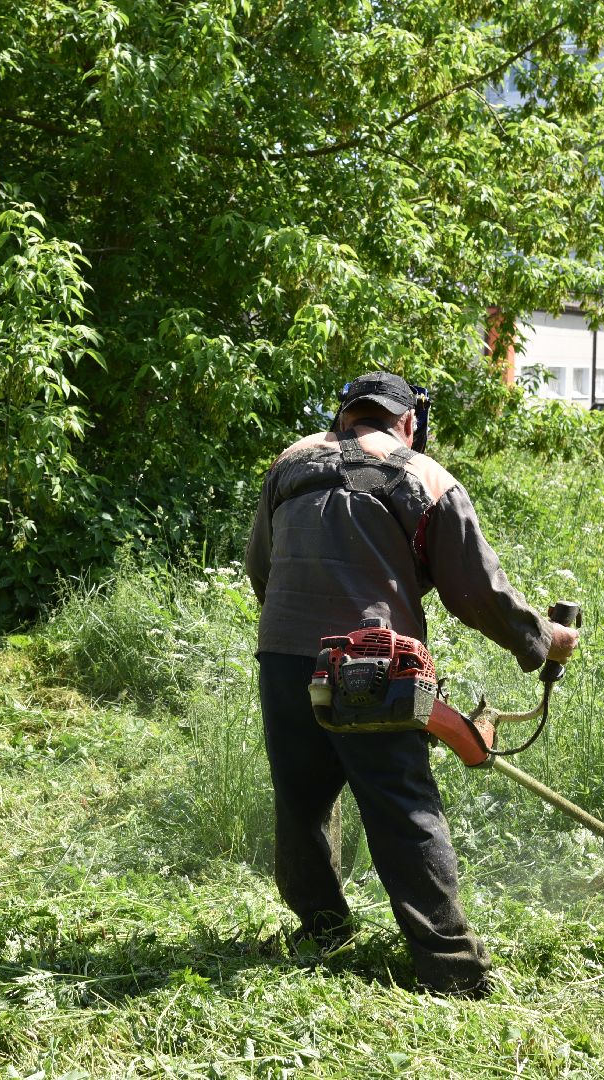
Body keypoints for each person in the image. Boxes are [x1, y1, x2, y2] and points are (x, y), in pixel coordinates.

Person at [244, 371, 578, 998]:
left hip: (284, 657)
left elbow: (261, 569)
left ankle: (321, 931)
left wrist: (300, 635)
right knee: (403, 808)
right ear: (408, 420)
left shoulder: (290, 463)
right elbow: (478, 595)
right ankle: (451, 968)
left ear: (345, 415)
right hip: (373, 665)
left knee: (302, 800)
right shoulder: (423, 475)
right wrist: (545, 640)